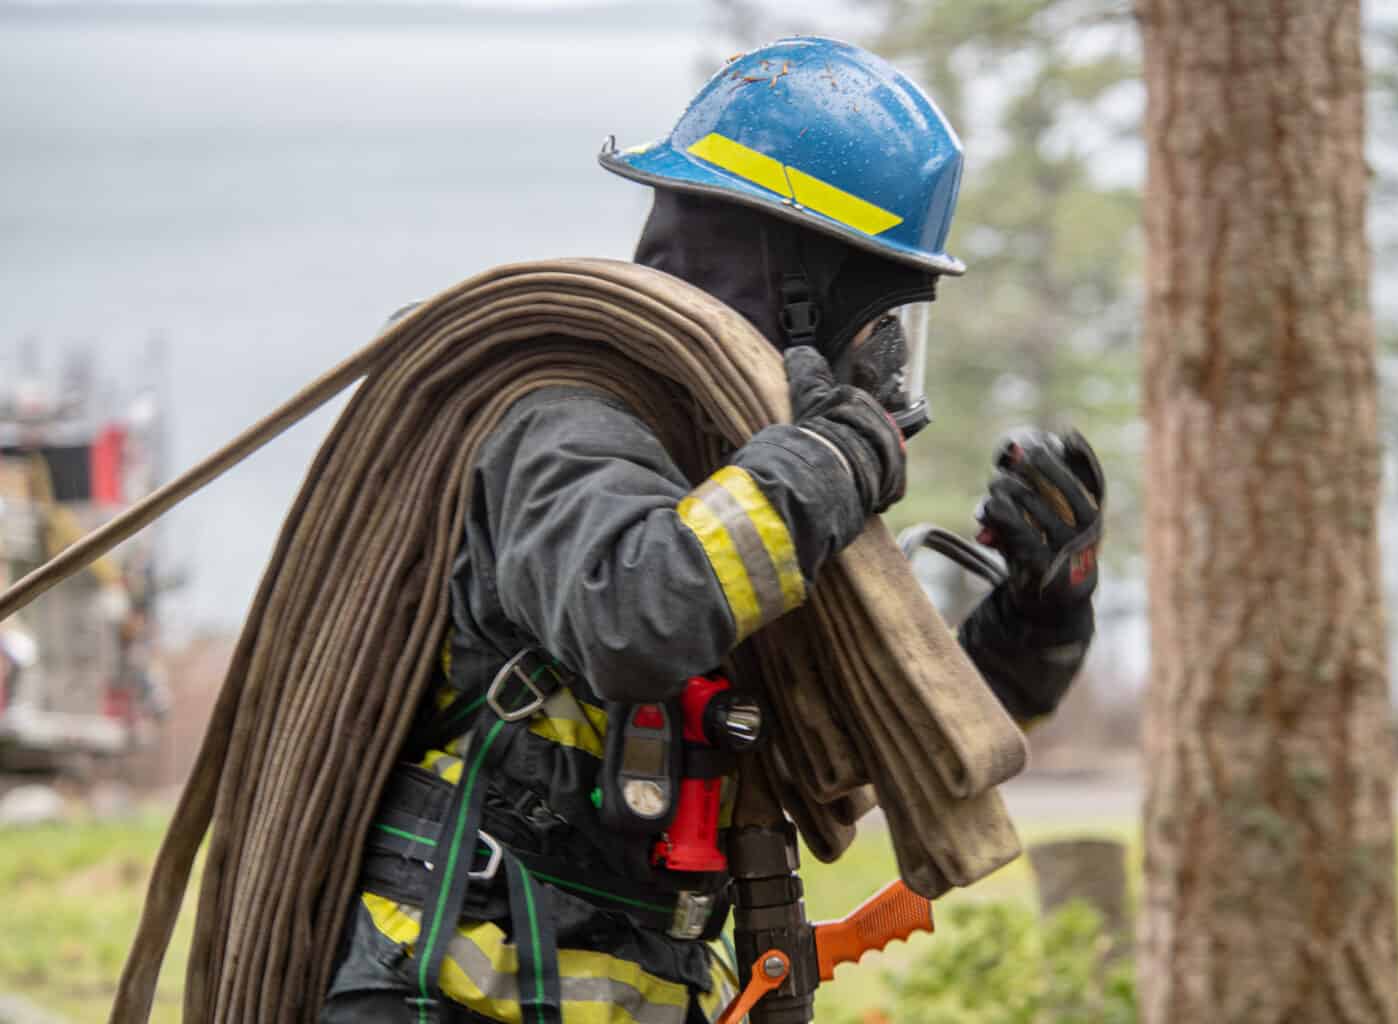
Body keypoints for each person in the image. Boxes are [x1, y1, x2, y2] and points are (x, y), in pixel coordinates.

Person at [322, 36, 1104, 1024]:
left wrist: (1042, 617)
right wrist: (828, 462)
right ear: (793, 289)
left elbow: (890, 737)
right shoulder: (562, 413)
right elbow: (634, 612)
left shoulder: (737, 480)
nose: (887, 367)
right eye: (881, 320)